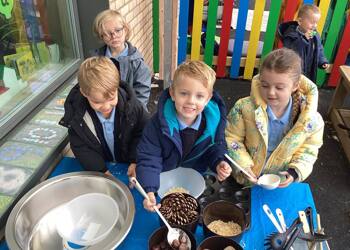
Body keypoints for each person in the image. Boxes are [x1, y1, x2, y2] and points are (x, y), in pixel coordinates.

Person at [136, 60, 232, 211]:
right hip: (164, 177)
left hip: (196, 177)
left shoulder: (213, 122)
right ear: (172, 93)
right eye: (184, 93)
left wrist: (219, 162)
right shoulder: (157, 125)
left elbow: (216, 146)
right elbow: (149, 158)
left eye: (199, 96)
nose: (191, 101)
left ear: (208, 99)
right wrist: (149, 189)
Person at [225, 48, 324, 187]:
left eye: (279, 87)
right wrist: (243, 165)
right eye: (265, 85)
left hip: (280, 182)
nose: (271, 93)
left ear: (295, 86)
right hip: (246, 178)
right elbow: (232, 138)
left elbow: (309, 149)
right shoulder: (243, 108)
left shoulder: (311, 120)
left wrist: (295, 171)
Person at [59, 56, 149, 177]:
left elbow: (143, 133)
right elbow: (81, 147)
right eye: (97, 102)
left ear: (116, 87)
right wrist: (100, 170)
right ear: (84, 93)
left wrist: (136, 160)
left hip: (127, 163)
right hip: (102, 164)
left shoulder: (133, 108)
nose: (106, 107)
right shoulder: (77, 117)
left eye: (111, 98)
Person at [92, 9, 151, 109]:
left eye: (118, 30)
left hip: (128, 113)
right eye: (107, 33)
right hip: (103, 109)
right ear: (101, 36)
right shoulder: (95, 60)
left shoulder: (137, 63)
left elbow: (141, 96)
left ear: (126, 29)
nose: (114, 36)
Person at [278, 4, 329, 83]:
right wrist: (303, 39)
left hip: (308, 70)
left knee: (304, 87)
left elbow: (319, 49)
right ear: (300, 21)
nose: (314, 26)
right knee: (292, 86)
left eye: (316, 23)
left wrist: (322, 61)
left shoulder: (314, 35)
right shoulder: (291, 35)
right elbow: (289, 50)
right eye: (312, 23)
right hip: (293, 70)